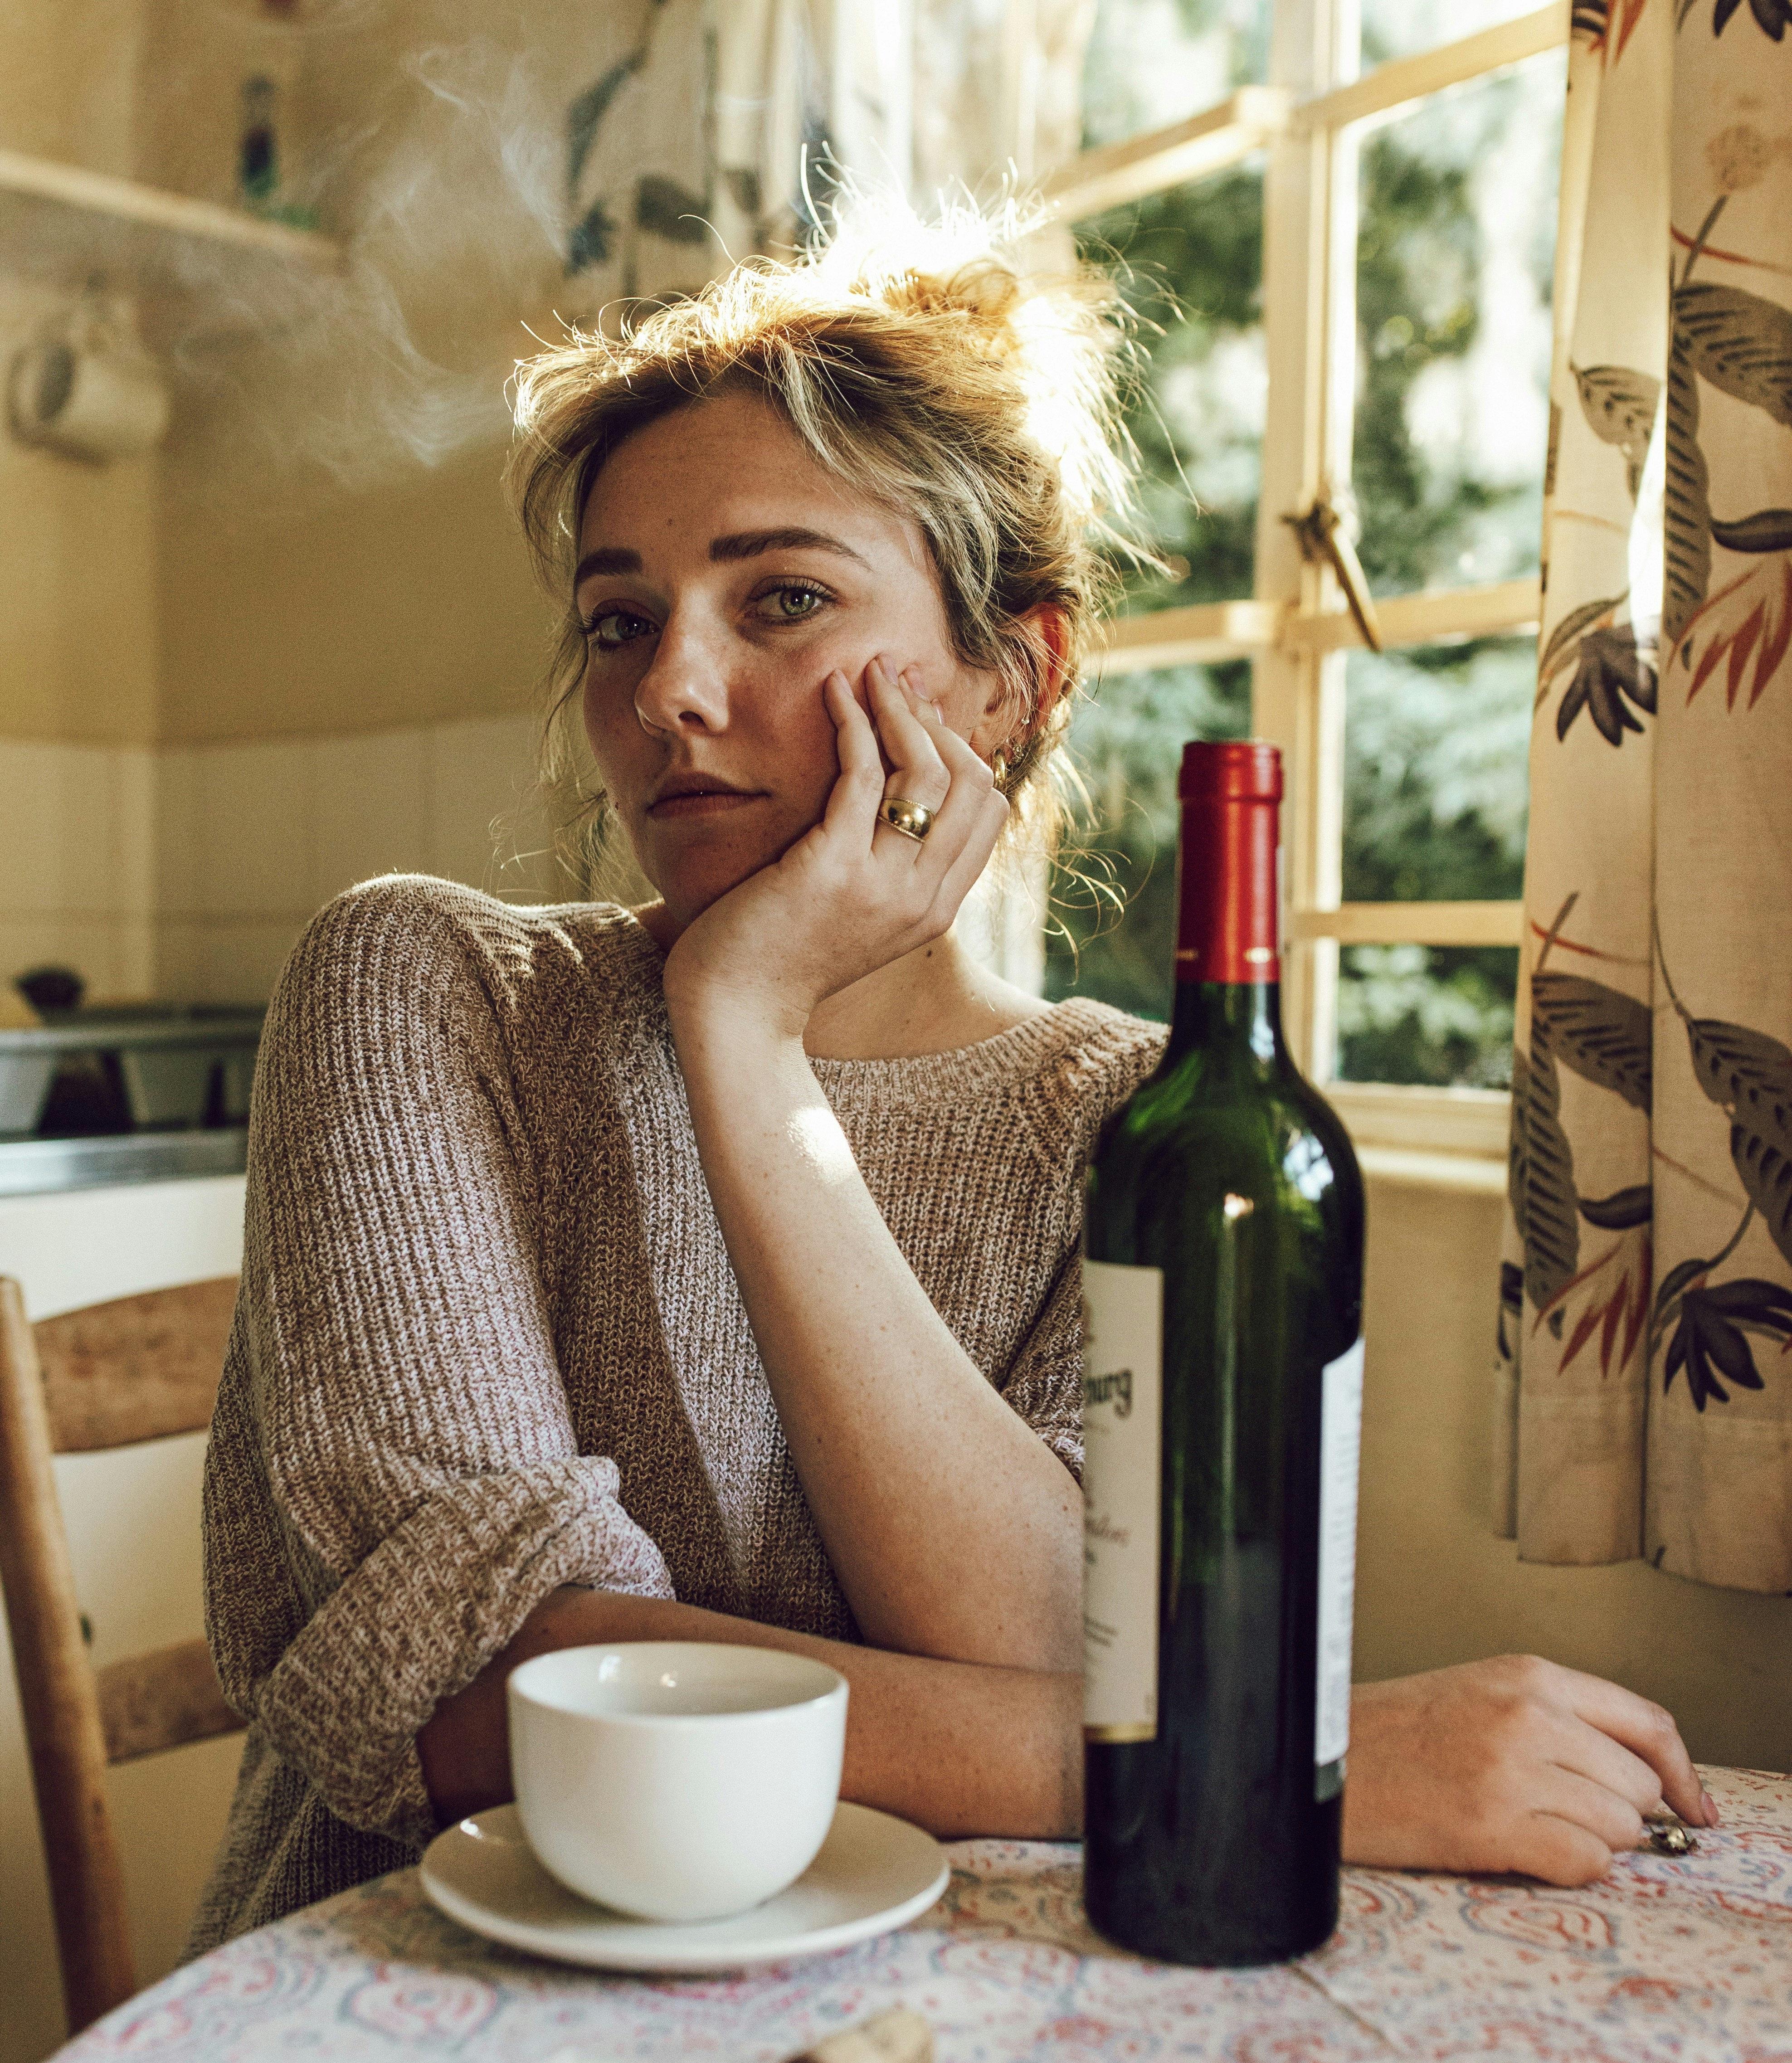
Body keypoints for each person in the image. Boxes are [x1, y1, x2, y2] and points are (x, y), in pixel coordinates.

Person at [191, 211, 1710, 1953]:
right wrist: (1262, 1764)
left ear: (1015, 674)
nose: (672, 691)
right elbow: (488, 1702)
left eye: (782, 598)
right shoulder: (420, 987)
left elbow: (1067, 1643)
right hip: (399, 2011)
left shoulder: (1136, 1120)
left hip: (932, 2025)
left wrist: (748, 1045)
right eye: (621, 623)